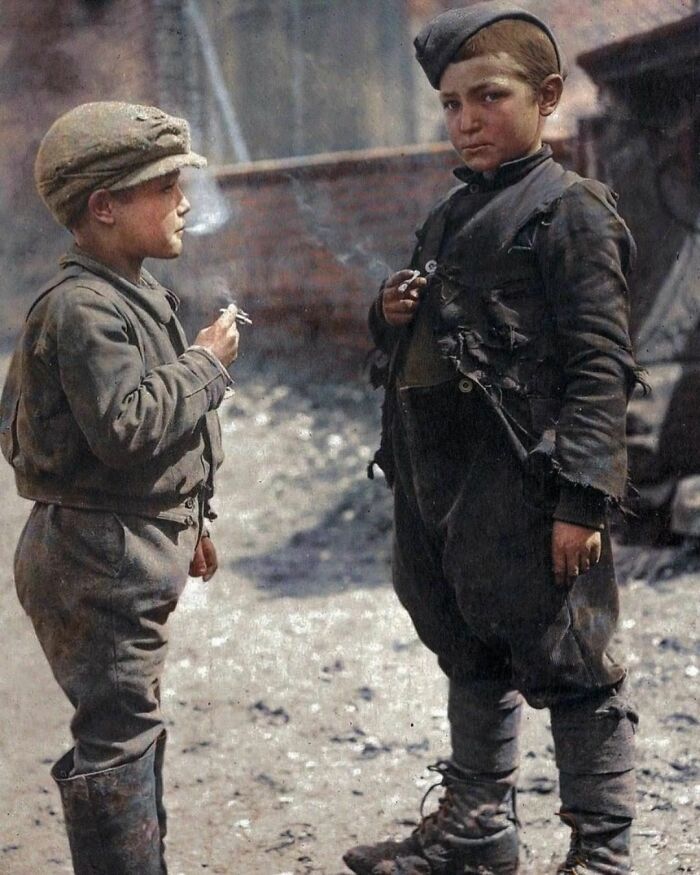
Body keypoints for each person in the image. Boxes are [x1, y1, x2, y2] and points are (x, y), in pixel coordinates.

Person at [344, 5, 640, 874]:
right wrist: (388, 311)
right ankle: (477, 824)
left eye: (489, 96)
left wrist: (582, 499)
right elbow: (435, 340)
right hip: (440, 476)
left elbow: (599, 368)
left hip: (525, 476)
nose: (466, 119)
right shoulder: (448, 215)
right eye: (449, 104)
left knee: (572, 653)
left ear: (547, 97)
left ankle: (602, 850)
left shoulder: (571, 211)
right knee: (464, 636)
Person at [0, 101, 241, 874]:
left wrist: (193, 520)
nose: (183, 202)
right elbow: (126, 427)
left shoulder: (125, 293)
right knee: (116, 732)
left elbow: (156, 448)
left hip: (120, 544)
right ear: (102, 208)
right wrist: (206, 364)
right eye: (163, 187)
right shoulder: (83, 309)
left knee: (126, 724)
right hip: (96, 557)